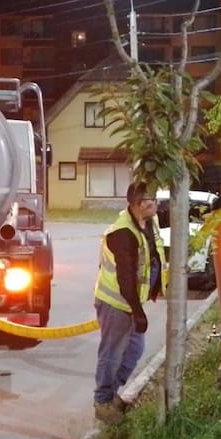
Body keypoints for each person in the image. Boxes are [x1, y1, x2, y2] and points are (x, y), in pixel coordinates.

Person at [93, 182, 166, 425]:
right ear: (135, 203)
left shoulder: (147, 222)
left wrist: (213, 210)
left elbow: (176, 216)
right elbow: (126, 278)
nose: (154, 203)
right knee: (112, 354)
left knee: (134, 350)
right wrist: (138, 313)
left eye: (155, 198)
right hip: (116, 303)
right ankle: (103, 402)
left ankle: (112, 393)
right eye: (149, 199)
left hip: (131, 304)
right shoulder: (123, 233)